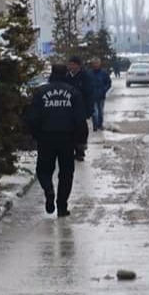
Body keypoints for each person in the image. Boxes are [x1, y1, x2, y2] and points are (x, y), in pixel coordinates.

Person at [25, 63, 87, 217]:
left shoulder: (40, 92)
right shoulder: (73, 93)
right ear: (66, 74)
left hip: (46, 137)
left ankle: (48, 190)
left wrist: (34, 135)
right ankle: (61, 206)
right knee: (66, 173)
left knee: (43, 170)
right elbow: (80, 119)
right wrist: (81, 141)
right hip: (67, 138)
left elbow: (32, 117)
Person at [66, 56, 93, 161]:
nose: (71, 66)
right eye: (70, 64)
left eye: (73, 64)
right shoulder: (67, 76)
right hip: (68, 108)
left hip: (81, 108)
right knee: (70, 130)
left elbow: (89, 93)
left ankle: (80, 151)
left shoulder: (85, 76)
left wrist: (89, 109)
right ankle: (72, 149)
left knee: (81, 130)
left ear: (78, 65)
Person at [88, 58, 112, 131]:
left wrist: (104, 90)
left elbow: (108, 83)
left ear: (100, 64)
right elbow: (87, 83)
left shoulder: (104, 73)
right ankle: (95, 126)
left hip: (101, 96)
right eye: (94, 63)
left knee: (100, 111)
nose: (96, 65)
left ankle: (100, 125)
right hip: (92, 96)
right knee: (95, 112)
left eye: (97, 63)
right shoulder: (89, 73)